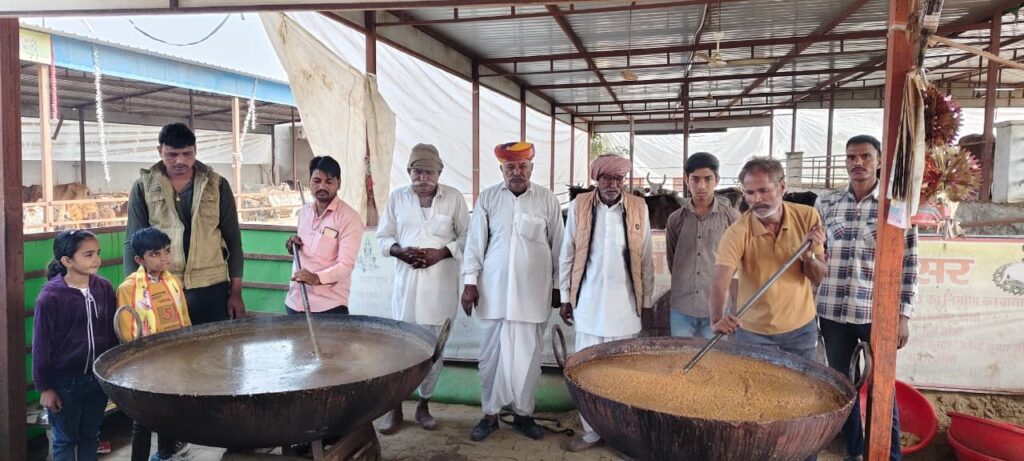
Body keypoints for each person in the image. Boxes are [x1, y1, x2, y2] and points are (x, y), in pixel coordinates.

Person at [816, 135, 918, 461]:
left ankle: (889, 455)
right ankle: (856, 452)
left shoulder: (895, 206)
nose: (857, 163)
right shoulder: (826, 203)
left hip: (876, 314)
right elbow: (816, 256)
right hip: (832, 311)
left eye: (865, 156)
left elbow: (909, 263)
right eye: (851, 157)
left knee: (881, 387)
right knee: (842, 388)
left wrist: (903, 316)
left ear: (879, 160)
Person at [461, 142, 564, 442]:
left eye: (522, 166)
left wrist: (558, 287)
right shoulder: (488, 198)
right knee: (490, 359)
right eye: (510, 167)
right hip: (493, 294)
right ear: (502, 169)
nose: (517, 172)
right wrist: (470, 283)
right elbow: (474, 243)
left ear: (531, 168)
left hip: (533, 295)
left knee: (528, 359)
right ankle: (489, 415)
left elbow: (559, 245)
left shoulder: (546, 199)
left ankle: (523, 415)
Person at [557, 154, 654, 452]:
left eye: (618, 178)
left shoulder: (638, 207)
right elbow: (567, 253)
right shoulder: (580, 205)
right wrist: (565, 298)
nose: (613, 184)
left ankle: (621, 434)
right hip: (587, 305)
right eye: (607, 178)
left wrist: (647, 302)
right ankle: (591, 432)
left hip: (625, 308)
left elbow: (646, 259)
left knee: (622, 372)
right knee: (586, 370)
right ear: (596, 180)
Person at [376, 144, 470, 433]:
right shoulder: (397, 198)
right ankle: (394, 408)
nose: (423, 177)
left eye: (429, 172)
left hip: (440, 292)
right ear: (409, 172)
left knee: (434, 353)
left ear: (439, 172)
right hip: (406, 291)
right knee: (400, 353)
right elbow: (383, 237)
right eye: (417, 171)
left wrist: (440, 253)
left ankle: (424, 404)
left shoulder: (453, 198)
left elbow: (468, 237)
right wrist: (399, 251)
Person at [124, 122, 245, 325]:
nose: (180, 161)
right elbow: (132, 242)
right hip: (162, 285)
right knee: (170, 344)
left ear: (195, 150)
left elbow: (233, 241)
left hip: (212, 285)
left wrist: (236, 292)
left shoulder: (217, 185)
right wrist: (134, 290)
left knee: (214, 342)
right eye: (172, 155)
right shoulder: (143, 187)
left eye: (187, 154)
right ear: (159, 150)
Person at [709, 157, 826, 362]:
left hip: (801, 330)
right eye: (750, 193)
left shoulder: (807, 217)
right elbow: (720, 280)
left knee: (802, 382)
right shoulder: (737, 232)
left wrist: (808, 256)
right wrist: (717, 319)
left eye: (764, 190)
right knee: (754, 383)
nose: (756, 199)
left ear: (782, 187)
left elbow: (818, 276)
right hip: (754, 333)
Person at [32, 230, 119, 461]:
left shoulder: (104, 288)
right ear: (67, 261)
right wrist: (45, 388)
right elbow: (41, 347)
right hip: (64, 383)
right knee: (66, 439)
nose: (96, 259)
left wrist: (111, 373)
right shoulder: (50, 297)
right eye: (88, 255)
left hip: (97, 379)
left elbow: (111, 333)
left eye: (97, 253)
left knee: (91, 436)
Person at [116, 228, 192, 461]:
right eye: (155, 254)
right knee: (143, 418)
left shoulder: (173, 282)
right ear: (139, 259)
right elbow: (127, 330)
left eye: (167, 251)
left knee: (169, 411)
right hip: (147, 364)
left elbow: (184, 318)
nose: (164, 258)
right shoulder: (129, 288)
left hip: (175, 359)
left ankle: (167, 454)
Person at [665, 152, 740, 338]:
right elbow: (674, 261)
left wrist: (732, 304)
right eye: (695, 179)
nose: (701, 186)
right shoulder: (676, 219)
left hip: (718, 311)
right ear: (686, 180)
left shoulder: (731, 218)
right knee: (681, 354)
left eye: (708, 179)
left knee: (715, 356)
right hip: (682, 308)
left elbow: (738, 266)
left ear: (717, 180)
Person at [284, 156, 364, 315]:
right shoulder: (304, 212)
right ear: (309, 182)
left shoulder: (349, 217)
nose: (322, 186)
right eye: (317, 181)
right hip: (295, 301)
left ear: (338, 184)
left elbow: (345, 266)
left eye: (329, 181)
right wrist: (293, 246)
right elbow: (306, 251)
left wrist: (316, 278)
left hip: (329, 307)